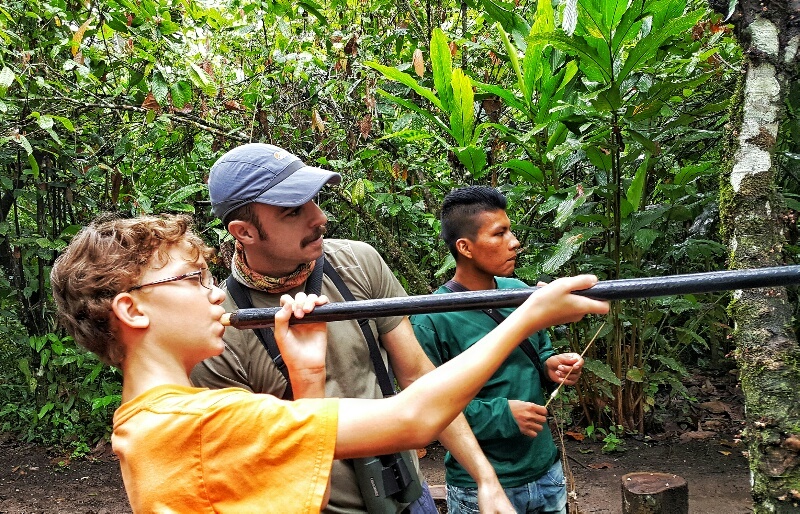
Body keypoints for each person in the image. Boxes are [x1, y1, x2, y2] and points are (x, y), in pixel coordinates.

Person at [49, 213, 609, 513]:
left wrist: (307, 378)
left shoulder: (158, 421)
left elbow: (293, 492)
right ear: (131, 308)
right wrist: (528, 314)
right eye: (192, 279)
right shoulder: (201, 423)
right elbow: (413, 418)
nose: (214, 293)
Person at [190, 143, 516, 513]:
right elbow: (245, 468)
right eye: (293, 211)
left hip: (408, 494)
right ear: (244, 232)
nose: (319, 217)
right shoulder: (220, 327)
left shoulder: (357, 263)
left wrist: (485, 478)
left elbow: (418, 376)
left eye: (314, 200)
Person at [411, 186, 589, 514]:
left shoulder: (520, 292)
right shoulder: (430, 317)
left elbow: (541, 351)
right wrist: (501, 416)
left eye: (511, 230)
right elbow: (428, 408)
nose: (514, 241)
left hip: (545, 472)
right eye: (500, 233)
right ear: (465, 247)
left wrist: (552, 366)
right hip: (479, 484)